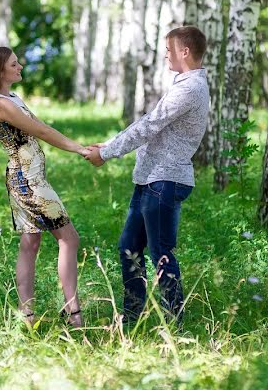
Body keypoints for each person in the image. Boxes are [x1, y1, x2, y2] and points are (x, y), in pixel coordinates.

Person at [84, 26, 210, 326]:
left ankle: (176, 322)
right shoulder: (185, 84)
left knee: (160, 254)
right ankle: (131, 317)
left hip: (165, 181)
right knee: (129, 247)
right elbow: (150, 124)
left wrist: (106, 153)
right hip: (150, 179)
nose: (166, 53)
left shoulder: (189, 88)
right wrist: (110, 144)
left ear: (185, 52)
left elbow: (149, 125)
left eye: (169, 49)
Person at [0, 46, 89, 328]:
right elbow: (39, 131)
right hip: (27, 181)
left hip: (30, 178)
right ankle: (73, 313)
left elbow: (38, 124)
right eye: (14, 65)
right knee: (69, 238)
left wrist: (80, 146)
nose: (20, 67)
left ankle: (26, 315)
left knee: (31, 242)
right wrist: (77, 148)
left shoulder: (11, 97)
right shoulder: (0, 104)